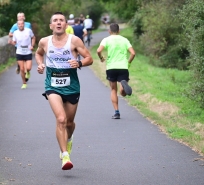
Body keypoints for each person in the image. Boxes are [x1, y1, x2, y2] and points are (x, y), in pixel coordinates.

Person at [35, 12, 93, 170]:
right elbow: (39, 54)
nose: (58, 23)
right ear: (51, 25)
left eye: (61, 20)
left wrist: (79, 63)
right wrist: (40, 64)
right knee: (60, 119)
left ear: (66, 25)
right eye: (55, 20)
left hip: (72, 85)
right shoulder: (44, 41)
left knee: (69, 123)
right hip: (52, 85)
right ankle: (65, 155)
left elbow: (89, 58)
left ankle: (68, 139)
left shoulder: (74, 41)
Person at [96, 23, 135, 119]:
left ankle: (117, 112)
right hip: (123, 67)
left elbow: (98, 50)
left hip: (111, 67)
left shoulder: (106, 39)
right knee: (122, 93)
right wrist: (128, 63)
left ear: (109, 31)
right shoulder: (124, 40)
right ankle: (123, 86)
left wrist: (101, 58)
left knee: (113, 90)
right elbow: (133, 53)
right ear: (119, 31)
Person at [11, 20, 35, 89]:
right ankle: (24, 83)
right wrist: (12, 42)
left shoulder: (28, 31)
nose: (20, 25)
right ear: (17, 25)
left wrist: (32, 45)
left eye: (22, 24)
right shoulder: (15, 33)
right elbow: (14, 42)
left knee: (28, 68)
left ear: (24, 24)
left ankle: (28, 72)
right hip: (19, 52)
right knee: (21, 69)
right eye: (19, 24)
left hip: (28, 52)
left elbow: (33, 38)